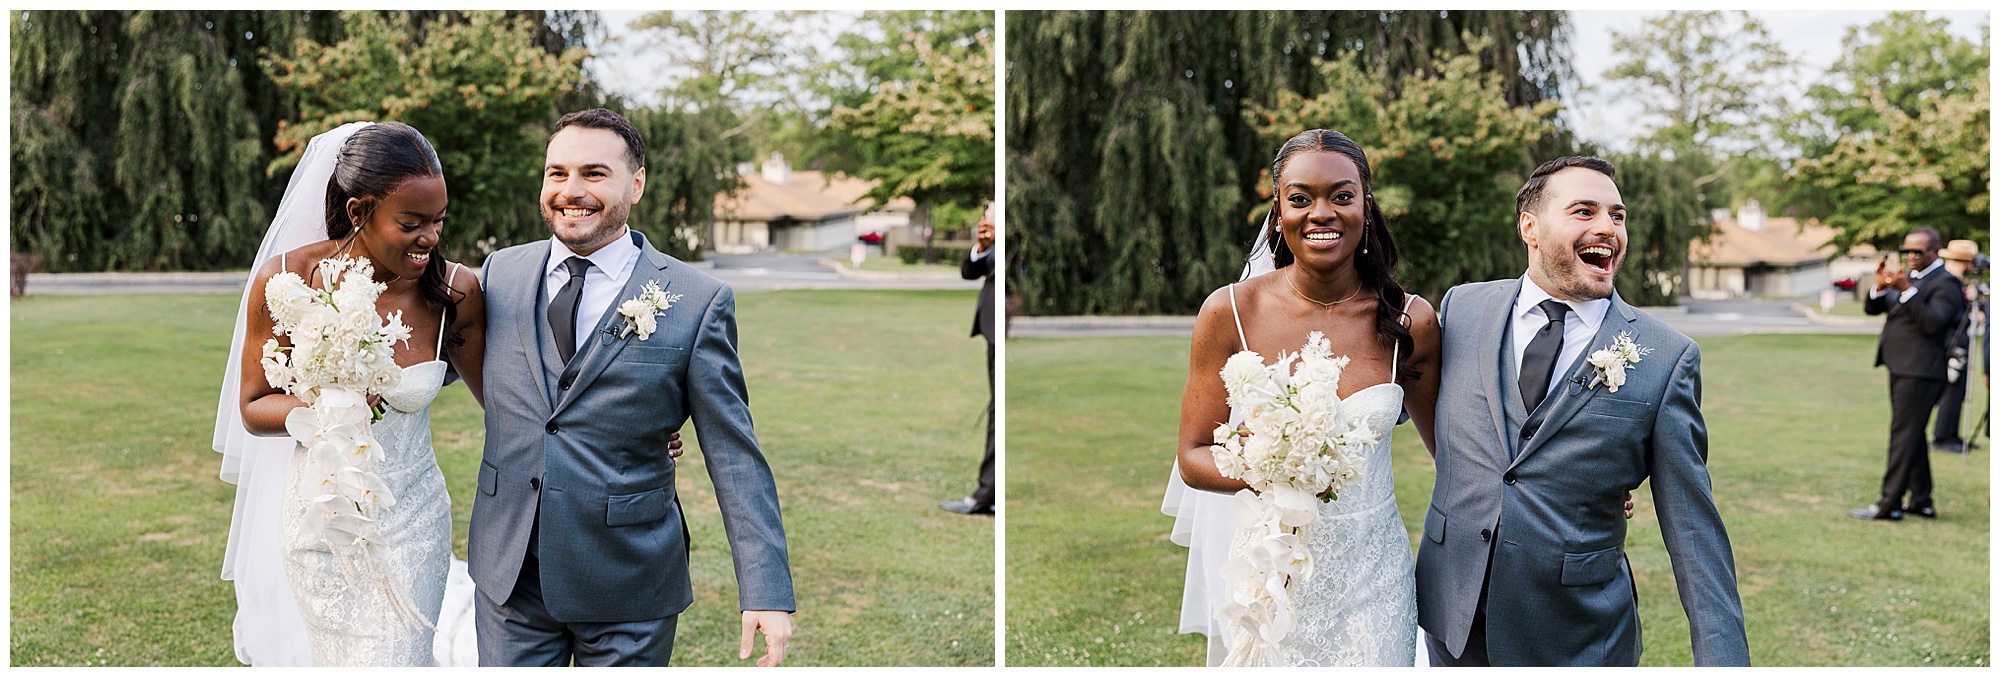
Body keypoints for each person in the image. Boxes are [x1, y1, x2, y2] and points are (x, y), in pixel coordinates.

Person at [468, 108, 795, 666]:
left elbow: (733, 452)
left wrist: (765, 588)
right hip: (510, 575)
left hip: (630, 580)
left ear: (636, 183)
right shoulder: (501, 273)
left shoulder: (696, 300)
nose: (570, 190)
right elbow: (429, 363)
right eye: (557, 173)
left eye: (594, 173)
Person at [1417, 157, 1749, 666]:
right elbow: (1422, 409)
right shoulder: (1463, 309)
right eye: (1583, 211)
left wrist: (1724, 661)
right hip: (1452, 617)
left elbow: (1693, 525)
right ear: (1530, 226)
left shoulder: (1665, 355)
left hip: (1578, 634)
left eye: (1617, 215)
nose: (1607, 228)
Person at [219, 121, 485, 665]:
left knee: (398, 657)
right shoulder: (289, 281)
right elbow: (252, 406)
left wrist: (635, 423)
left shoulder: (455, 292)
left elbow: (511, 402)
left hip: (413, 520)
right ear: (360, 210)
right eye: (411, 223)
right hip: (321, 524)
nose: (431, 238)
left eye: (439, 221)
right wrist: (323, 409)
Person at [1176, 130, 1441, 666]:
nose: (1322, 212)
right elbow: (1193, 456)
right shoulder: (1229, 312)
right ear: (1278, 213)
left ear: (1366, 207)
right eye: (1301, 198)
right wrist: (1276, 467)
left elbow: (1461, 456)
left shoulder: (1412, 320)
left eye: (1342, 196)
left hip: (1375, 578)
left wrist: (1579, 485)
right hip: (1273, 577)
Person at [1850, 227, 1966, 520]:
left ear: (1935, 251)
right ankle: (1921, 500)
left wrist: (1905, 290)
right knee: (1911, 436)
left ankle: (1889, 504)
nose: (1911, 257)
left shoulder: (1946, 283)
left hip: (1922, 372)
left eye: (1918, 251)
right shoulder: (1911, 279)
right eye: (1907, 251)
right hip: (1900, 366)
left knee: (1902, 436)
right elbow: (1874, 309)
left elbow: (1933, 324)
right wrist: (1879, 287)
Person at [941, 201, 998, 516]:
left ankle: (987, 495)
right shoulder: (991, 246)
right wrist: (982, 247)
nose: (983, 220)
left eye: (988, 216)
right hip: (992, 333)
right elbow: (968, 271)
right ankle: (988, 492)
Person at [1929, 239, 1980, 453]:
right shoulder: (1948, 282)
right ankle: (1942, 436)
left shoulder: (1957, 282)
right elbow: (1949, 317)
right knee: (1950, 390)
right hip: (1952, 344)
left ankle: (1952, 434)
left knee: (1958, 390)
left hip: (1959, 342)